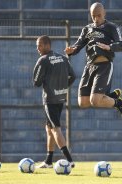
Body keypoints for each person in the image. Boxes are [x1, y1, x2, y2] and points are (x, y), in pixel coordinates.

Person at [64, 2, 122, 120]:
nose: (96, 18)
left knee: (95, 101)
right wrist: (71, 50)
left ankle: (119, 103)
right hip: (89, 66)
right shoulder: (87, 29)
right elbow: (77, 45)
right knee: (82, 102)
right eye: (93, 16)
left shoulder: (112, 27)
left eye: (99, 15)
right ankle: (108, 96)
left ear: (104, 13)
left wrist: (109, 47)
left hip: (104, 66)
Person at [33, 35, 76, 168]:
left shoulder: (43, 60)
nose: (37, 48)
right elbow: (73, 76)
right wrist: (62, 87)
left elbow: (36, 82)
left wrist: (47, 80)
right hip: (61, 98)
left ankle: (69, 160)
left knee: (56, 129)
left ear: (47, 45)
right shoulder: (63, 58)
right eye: (37, 46)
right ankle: (48, 161)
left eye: (39, 45)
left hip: (50, 100)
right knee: (49, 128)